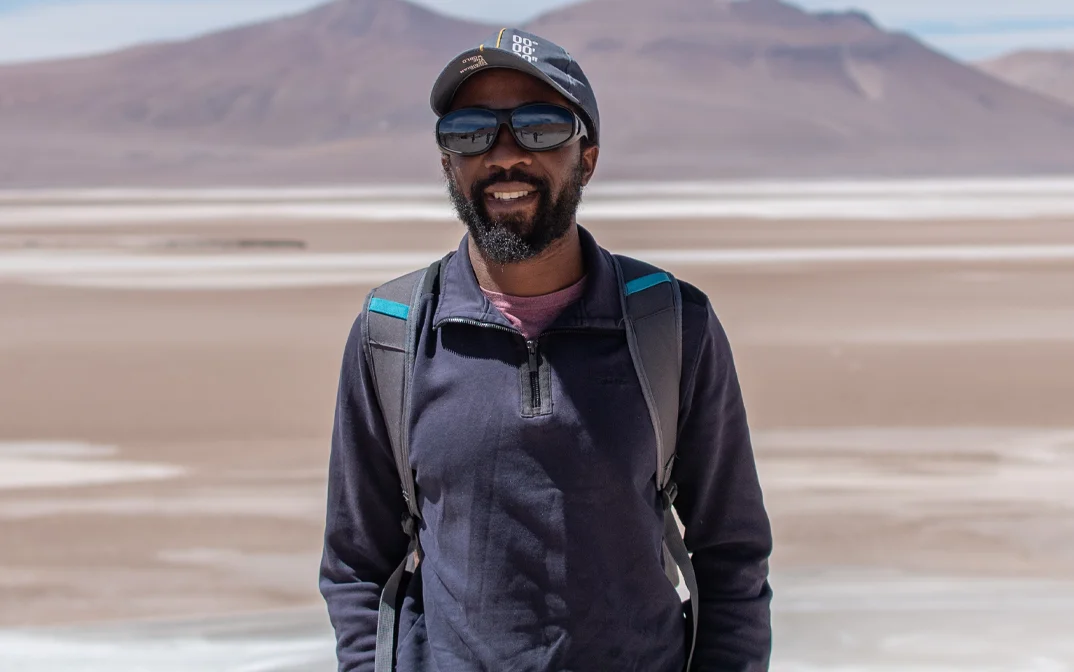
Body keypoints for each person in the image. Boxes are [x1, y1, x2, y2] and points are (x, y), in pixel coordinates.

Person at [319, 28, 773, 672]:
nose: (505, 155)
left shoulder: (670, 323)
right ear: (448, 162)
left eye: (539, 127)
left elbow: (733, 555)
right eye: (470, 131)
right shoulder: (392, 333)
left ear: (586, 157)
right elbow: (356, 564)